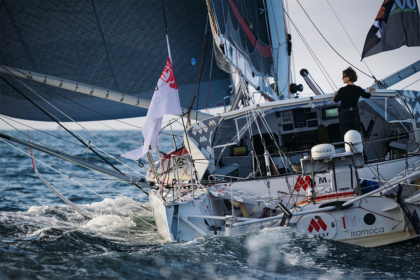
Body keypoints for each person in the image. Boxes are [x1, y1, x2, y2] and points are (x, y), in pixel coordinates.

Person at [333, 67, 376, 139]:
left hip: (344, 116)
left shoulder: (342, 90)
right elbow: (367, 96)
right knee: (356, 134)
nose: (342, 78)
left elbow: (335, 100)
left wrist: (336, 94)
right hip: (355, 115)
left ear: (349, 77)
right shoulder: (358, 89)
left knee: (346, 136)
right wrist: (372, 90)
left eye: (344, 76)